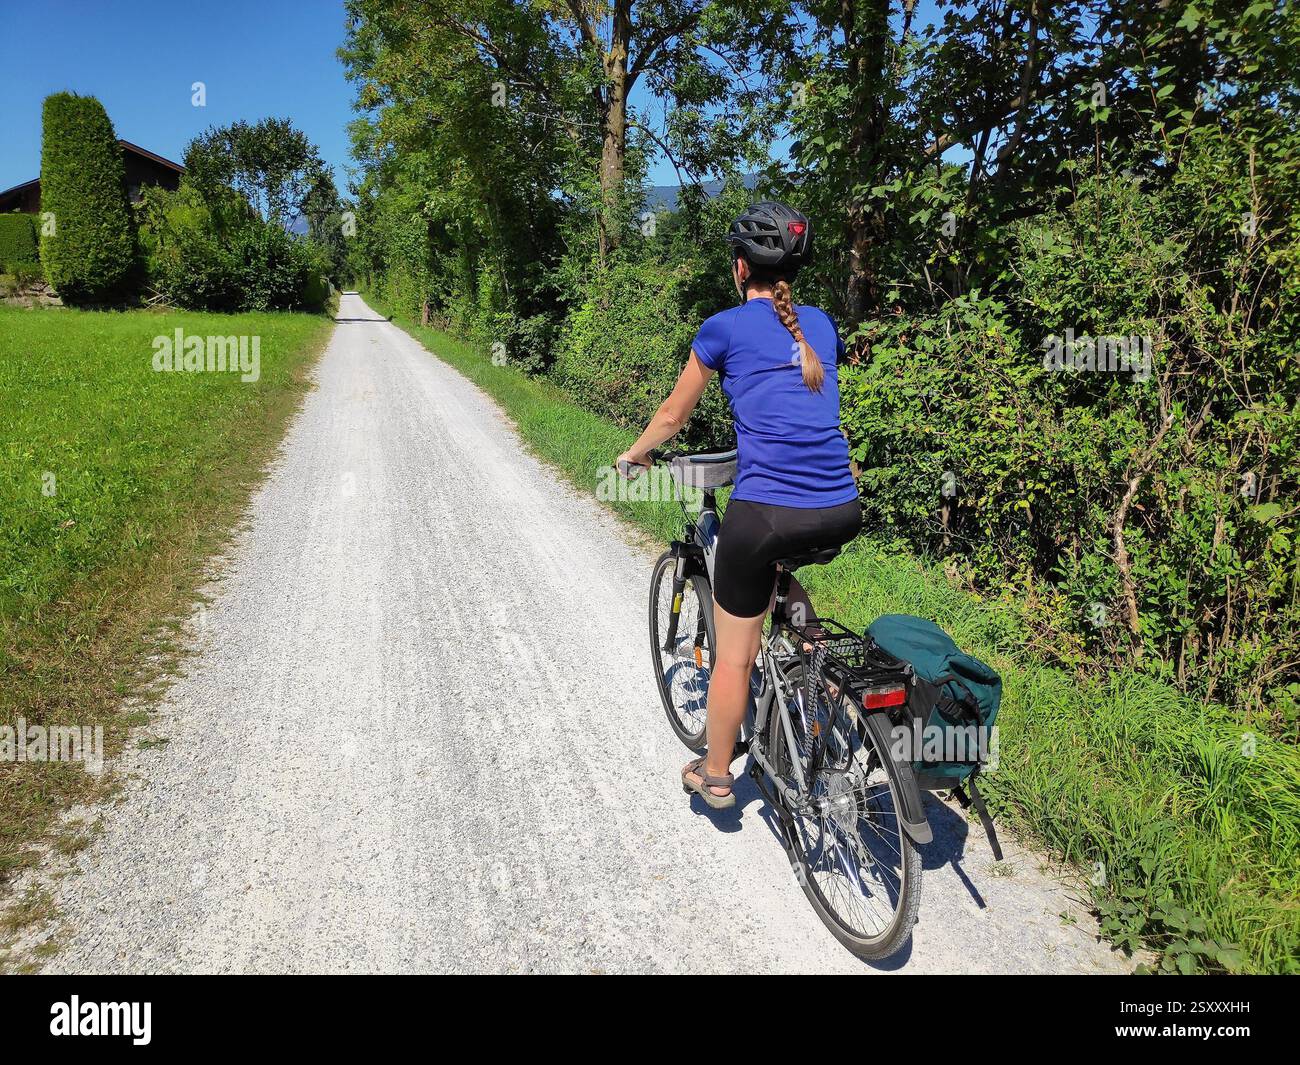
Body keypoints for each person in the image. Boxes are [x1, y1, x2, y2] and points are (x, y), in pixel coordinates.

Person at [616, 200, 862, 809]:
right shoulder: (822, 327)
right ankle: (821, 679)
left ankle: (718, 771)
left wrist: (635, 456)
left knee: (733, 652)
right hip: (841, 506)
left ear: (738, 269)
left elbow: (674, 415)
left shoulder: (722, 328)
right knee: (781, 570)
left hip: (768, 511)